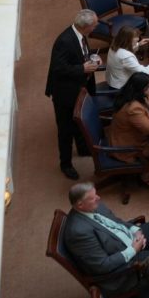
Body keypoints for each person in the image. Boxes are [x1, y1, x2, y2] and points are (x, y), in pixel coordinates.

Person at [63, 182, 149, 298]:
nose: (98, 198)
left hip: (132, 237)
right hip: (126, 263)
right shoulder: (78, 232)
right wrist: (133, 250)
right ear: (80, 205)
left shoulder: (94, 205)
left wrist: (135, 230)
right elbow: (101, 265)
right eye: (93, 197)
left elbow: (116, 221)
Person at [45, 10, 101, 179]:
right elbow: (58, 68)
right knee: (65, 129)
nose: (96, 26)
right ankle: (66, 164)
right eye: (94, 24)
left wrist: (92, 59)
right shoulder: (64, 41)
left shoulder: (81, 35)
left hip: (79, 86)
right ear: (85, 26)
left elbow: (80, 55)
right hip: (65, 93)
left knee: (80, 120)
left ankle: (83, 148)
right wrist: (82, 68)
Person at [108, 72, 149, 188]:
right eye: (148, 87)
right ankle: (145, 176)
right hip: (128, 145)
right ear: (140, 89)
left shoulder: (129, 94)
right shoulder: (133, 108)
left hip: (128, 135)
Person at [106, 25, 149, 89]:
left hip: (113, 81)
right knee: (147, 81)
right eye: (135, 37)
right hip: (121, 87)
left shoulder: (113, 46)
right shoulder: (127, 57)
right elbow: (145, 72)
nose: (138, 39)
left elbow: (123, 50)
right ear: (128, 40)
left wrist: (138, 44)